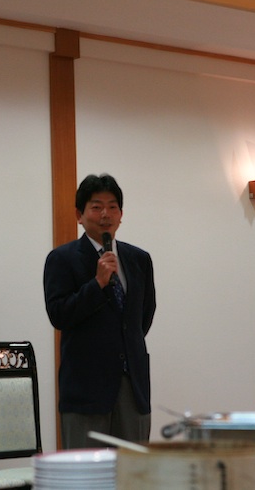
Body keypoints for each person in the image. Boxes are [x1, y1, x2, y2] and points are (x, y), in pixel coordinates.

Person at [44, 174, 156, 449]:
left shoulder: (139, 259)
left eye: (112, 207)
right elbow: (59, 315)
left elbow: (143, 316)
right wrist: (97, 284)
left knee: (134, 469)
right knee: (86, 472)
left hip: (133, 388)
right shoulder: (62, 259)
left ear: (121, 215)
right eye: (96, 207)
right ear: (79, 215)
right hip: (86, 390)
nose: (105, 214)